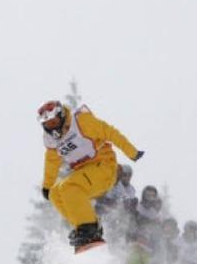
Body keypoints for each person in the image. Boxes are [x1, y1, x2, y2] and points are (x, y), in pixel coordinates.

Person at [38, 100, 143, 252]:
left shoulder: (81, 122)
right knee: (56, 193)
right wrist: (47, 185)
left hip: (104, 167)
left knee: (69, 187)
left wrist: (131, 152)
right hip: (84, 172)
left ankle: (89, 227)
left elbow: (110, 132)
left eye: (54, 122)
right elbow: (51, 161)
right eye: (48, 125)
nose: (52, 127)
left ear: (61, 116)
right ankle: (83, 230)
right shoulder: (51, 139)